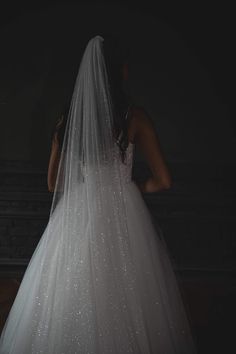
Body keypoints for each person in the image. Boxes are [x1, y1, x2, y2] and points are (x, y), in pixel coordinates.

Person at [0, 35, 198, 353]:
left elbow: (52, 184)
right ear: (121, 72)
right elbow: (164, 180)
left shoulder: (67, 122)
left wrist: (87, 183)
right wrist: (133, 187)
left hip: (78, 210)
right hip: (124, 210)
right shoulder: (134, 118)